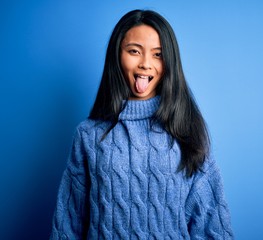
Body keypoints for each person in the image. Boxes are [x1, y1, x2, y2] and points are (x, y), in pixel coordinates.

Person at [50, 9, 233, 239]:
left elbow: (210, 224)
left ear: (170, 63)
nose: (146, 63)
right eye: (134, 51)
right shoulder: (89, 135)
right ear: (117, 55)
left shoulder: (186, 131)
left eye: (158, 54)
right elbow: (68, 223)